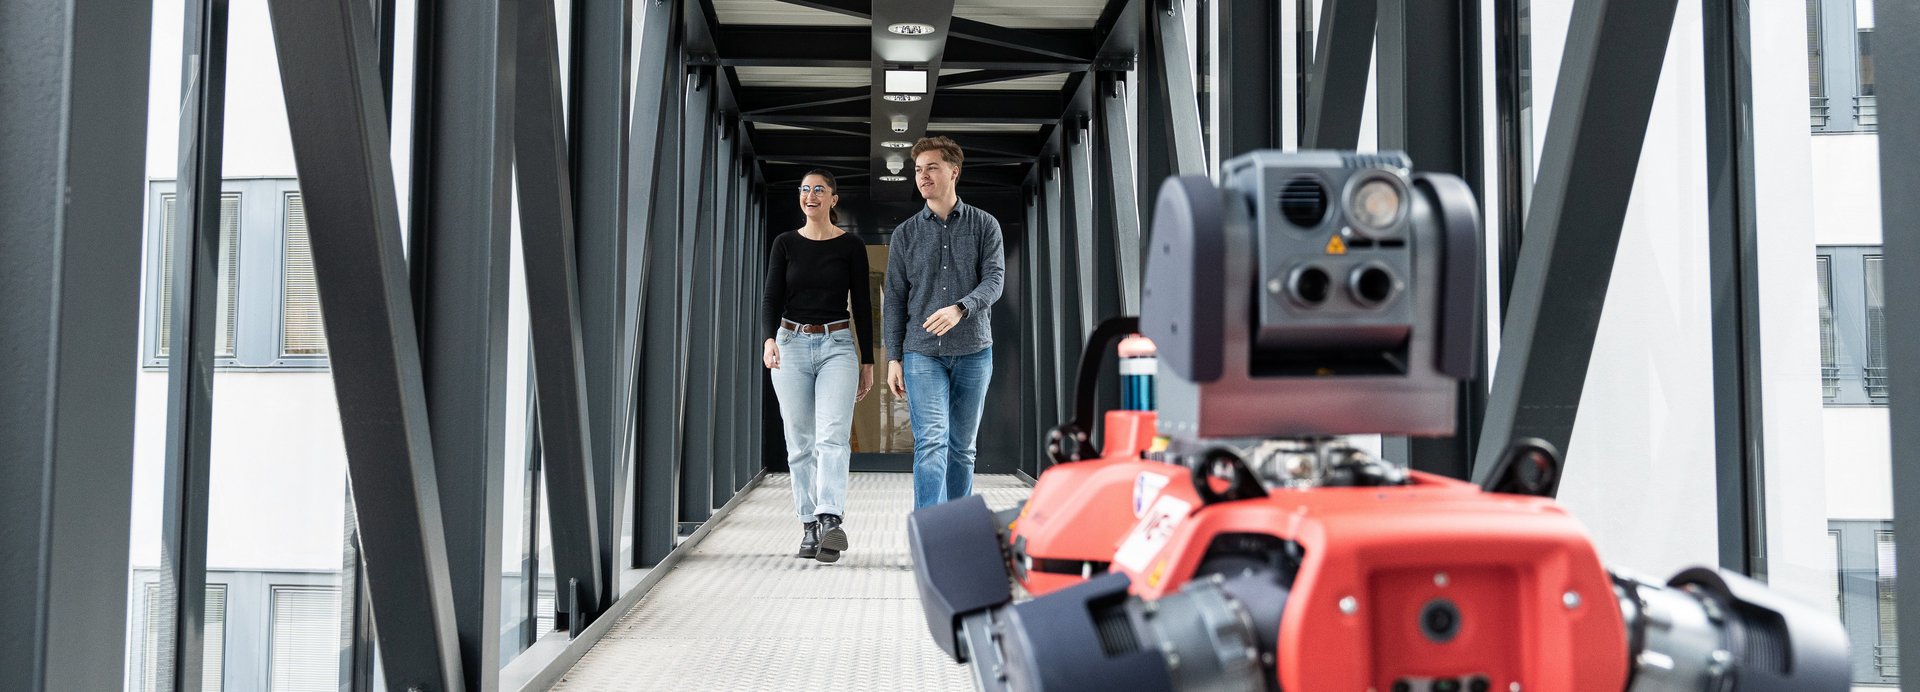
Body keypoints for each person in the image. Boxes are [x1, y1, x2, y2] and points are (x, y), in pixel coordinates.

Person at [884, 136, 1005, 510]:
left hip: (973, 351)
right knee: (932, 440)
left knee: (962, 448)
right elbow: (895, 300)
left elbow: (995, 280)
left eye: (931, 168)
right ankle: (931, 533)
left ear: (954, 171)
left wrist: (960, 308)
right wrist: (893, 357)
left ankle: (958, 530)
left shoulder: (985, 225)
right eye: (918, 170)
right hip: (922, 354)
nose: (922, 176)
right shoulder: (905, 234)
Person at [762, 170, 874, 563]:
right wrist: (769, 339)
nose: (810, 195)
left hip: (837, 346)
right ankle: (808, 525)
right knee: (799, 442)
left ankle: (829, 518)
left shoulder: (851, 246)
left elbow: (861, 303)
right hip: (790, 344)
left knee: (833, 437)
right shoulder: (785, 243)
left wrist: (868, 361)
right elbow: (771, 296)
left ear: (833, 199)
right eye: (805, 189)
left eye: (819, 190)